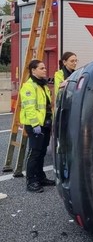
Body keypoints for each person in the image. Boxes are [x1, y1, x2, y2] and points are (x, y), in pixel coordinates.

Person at [19, 60, 55, 193]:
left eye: (45, 68)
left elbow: (46, 106)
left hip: (45, 124)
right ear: (33, 70)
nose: (45, 70)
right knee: (34, 152)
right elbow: (29, 108)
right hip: (35, 125)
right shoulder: (29, 86)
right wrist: (35, 124)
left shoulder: (42, 85)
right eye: (41, 68)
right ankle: (31, 181)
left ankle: (40, 177)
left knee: (42, 152)